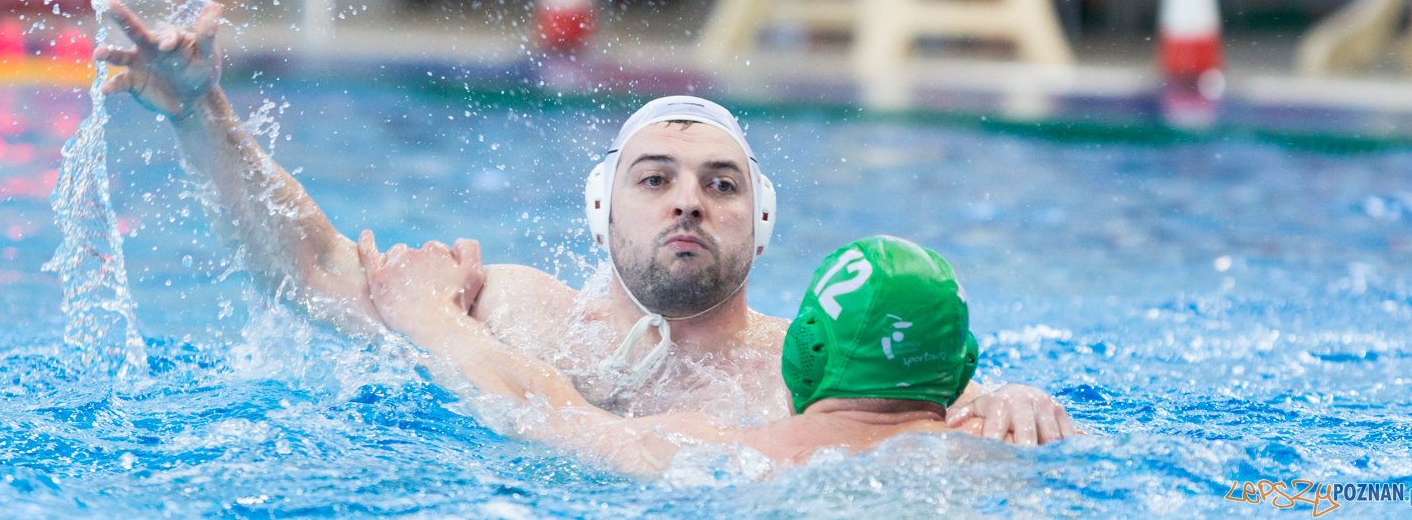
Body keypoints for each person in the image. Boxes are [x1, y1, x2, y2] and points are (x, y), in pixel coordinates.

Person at [95, 0, 1073, 440]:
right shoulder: (518, 310)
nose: (689, 196)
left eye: (722, 185)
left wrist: (1013, 402)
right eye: (655, 177)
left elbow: (921, 418)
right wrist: (199, 111)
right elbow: (311, 272)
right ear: (600, 210)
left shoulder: (808, 363)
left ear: (761, 227)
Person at [358, 234, 1055, 474]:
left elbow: (539, 408)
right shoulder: (1010, 441)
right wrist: (1017, 396)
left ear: (804, 352)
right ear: (964, 367)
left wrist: (429, 317)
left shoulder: (725, 452)